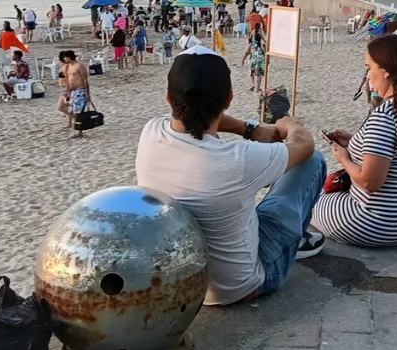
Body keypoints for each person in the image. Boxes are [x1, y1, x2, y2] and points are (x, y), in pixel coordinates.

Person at [134, 44, 324, 305]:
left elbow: (193, 114)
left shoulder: (151, 132)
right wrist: (288, 123)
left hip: (187, 282)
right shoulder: (238, 159)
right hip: (244, 286)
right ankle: (296, 242)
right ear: (228, 99)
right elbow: (304, 147)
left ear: (168, 98)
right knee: (313, 162)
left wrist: (249, 129)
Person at [312, 34, 397, 247]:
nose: (368, 76)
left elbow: (370, 182)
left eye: (369, 68)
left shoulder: (386, 115)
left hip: (379, 222)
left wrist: (344, 159)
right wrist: (354, 139)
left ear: (385, 70)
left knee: (307, 197)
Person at [58, 50, 90, 138]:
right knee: (72, 111)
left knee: (78, 112)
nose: (64, 59)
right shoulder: (69, 66)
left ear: (69, 57)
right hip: (72, 92)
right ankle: (78, 130)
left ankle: (79, 132)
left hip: (80, 91)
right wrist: (68, 92)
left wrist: (87, 93)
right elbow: (68, 80)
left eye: (65, 57)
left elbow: (85, 79)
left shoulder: (79, 65)